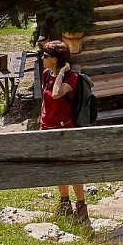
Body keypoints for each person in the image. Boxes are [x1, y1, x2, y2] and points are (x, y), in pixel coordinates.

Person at [37, 41, 89, 225]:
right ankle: (65, 203)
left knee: (72, 167)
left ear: (55, 59)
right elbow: (45, 98)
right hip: (48, 127)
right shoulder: (45, 74)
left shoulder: (71, 78)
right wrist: (41, 117)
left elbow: (57, 93)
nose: (42, 59)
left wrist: (60, 73)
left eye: (45, 56)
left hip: (64, 129)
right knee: (57, 166)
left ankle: (81, 208)